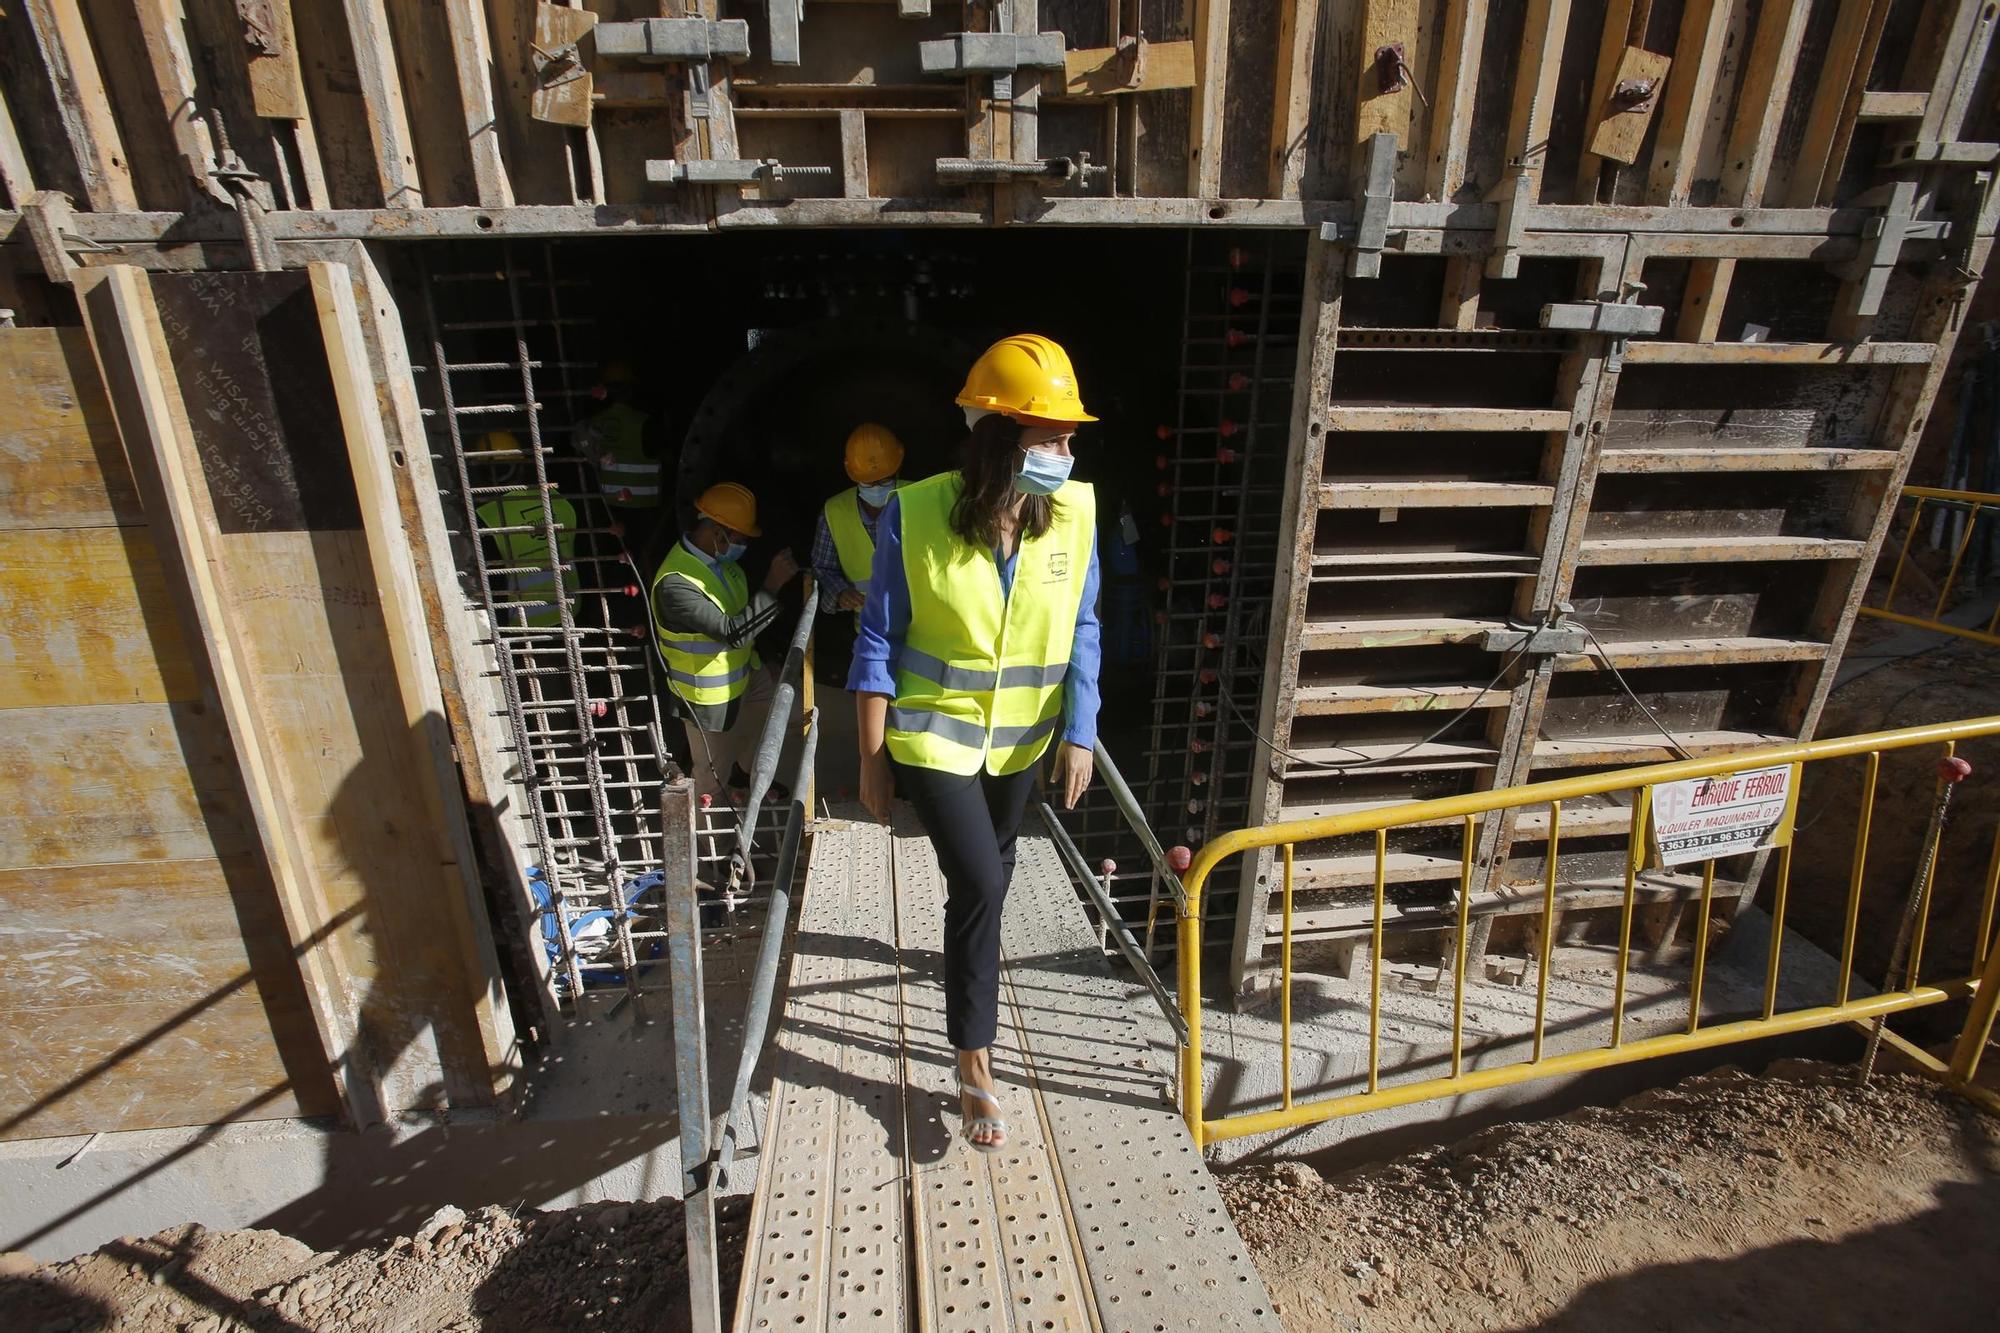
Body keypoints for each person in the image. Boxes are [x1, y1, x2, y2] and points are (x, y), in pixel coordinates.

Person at [849, 334, 1101, 1154]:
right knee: (987, 880)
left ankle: (972, 1031)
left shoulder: (1073, 514)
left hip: (1020, 745)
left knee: (980, 890)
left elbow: (1084, 626)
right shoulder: (916, 512)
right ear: (999, 435)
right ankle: (973, 1062)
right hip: (934, 741)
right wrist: (871, 757)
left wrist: (1081, 730)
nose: (1066, 454)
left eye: (1069, 439)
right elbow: (878, 640)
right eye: (1050, 438)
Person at [651, 482, 801, 821]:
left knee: (784, 716)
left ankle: (744, 774)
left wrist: (768, 658)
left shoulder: (725, 567)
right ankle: (707, 846)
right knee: (710, 777)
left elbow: (744, 616)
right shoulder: (677, 584)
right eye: (741, 538)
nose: (744, 546)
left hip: (747, 675)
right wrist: (773, 584)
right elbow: (733, 632)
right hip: (709, 698)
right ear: (717, 532)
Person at [471, 431, 578, 630]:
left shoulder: (486, 518)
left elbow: (493, 581)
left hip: (522, 624)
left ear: (481, 473)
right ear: (521, 466)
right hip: (572, 612)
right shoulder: (556, 499)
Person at [812, 422, 905, 618]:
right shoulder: (834, 512)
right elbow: (823, 569)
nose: (877, 487)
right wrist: (840, 593)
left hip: (924, 629)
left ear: (897, 470)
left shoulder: (921, 498)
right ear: (853, 476)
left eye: (885, 480)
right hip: (871, 632)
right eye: (869, 481)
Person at [576, 360, 666, 560]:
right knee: (644, 560)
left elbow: (580, 448)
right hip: (644, 508)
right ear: (632, 390)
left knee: (614, 559)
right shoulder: (646, 422)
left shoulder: (593, 423)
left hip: (609, 506)